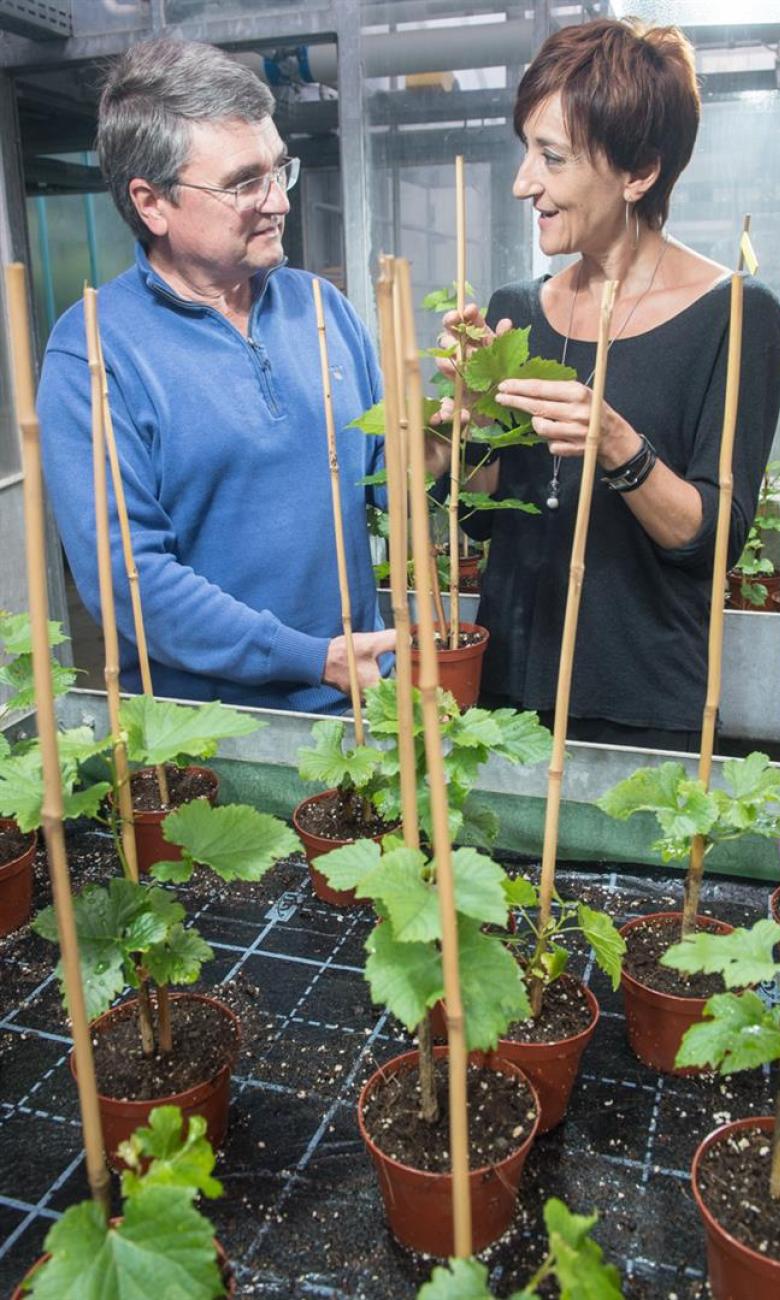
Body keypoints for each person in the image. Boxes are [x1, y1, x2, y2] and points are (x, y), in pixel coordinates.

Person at [434, 18, 780, 750]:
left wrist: (617, 443)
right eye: (526, 151)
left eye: (551, 157)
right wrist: (459, 428)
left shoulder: (736, 317)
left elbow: (713, 539)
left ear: (640, 171)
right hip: (503, 695)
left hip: (643, 711)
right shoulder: (516, 311)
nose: (525, 182)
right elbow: (482, 521)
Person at [37, 38, 395, 714]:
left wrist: (461, 426)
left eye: (278, 170)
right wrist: (307, 656)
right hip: (212, 743)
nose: (278, 201)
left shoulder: (322, 310)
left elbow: (391, 478)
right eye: (242, 182)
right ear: (152, 203)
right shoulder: (96, 351)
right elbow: (130, 581)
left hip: (360, 713)